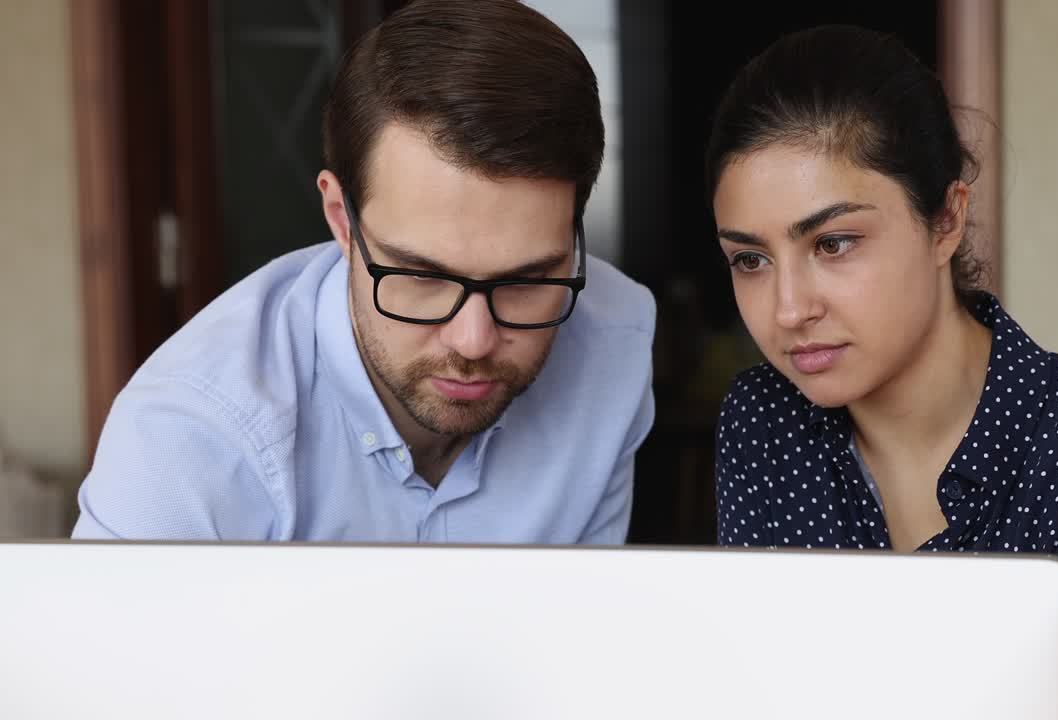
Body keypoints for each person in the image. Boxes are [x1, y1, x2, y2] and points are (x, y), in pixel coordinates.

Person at [707, 25, 1058, 718]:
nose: (788, 309)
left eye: (834, 243)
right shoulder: (765, 424)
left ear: (946, 221)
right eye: (751, 260)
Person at [72, 0, 655, 544]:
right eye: (423, 276)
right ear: (341, 221)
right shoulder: (190, 437)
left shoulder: (615, 341)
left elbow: (573, 631)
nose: (474, 340)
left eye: (526, 282)